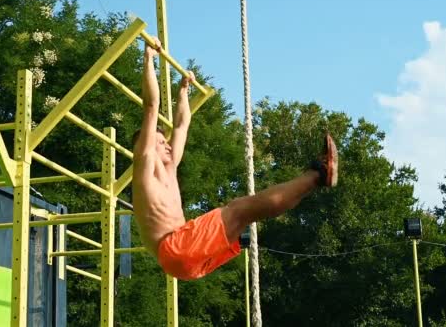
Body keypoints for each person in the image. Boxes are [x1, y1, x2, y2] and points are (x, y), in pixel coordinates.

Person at [132, 38, 338, 280]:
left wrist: (184, 91)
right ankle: (318, 174)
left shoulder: (170, 167)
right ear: (145, 147)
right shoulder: (144, 167)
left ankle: (315, 179)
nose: (167, 145)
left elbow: (180, 126)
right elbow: (151, 105)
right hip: (176, 248)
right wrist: (148, 58)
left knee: (245, 213)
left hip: (188, 258)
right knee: (239, 209)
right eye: (160, 142)